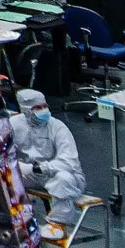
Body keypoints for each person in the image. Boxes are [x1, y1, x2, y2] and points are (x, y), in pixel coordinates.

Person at [6, 86, 86, 225]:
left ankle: (58, 223)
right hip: (32, 174)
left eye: (45, 106)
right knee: (5, 176)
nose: (43, 110)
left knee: (63, 179)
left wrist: (39, 168)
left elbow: (68, 162)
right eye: (38, 107)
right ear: (26, 110)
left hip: (60, 175)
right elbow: (4, 153)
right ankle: (20, 214)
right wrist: (21, 167)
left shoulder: (57, 127)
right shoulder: (13, 124)